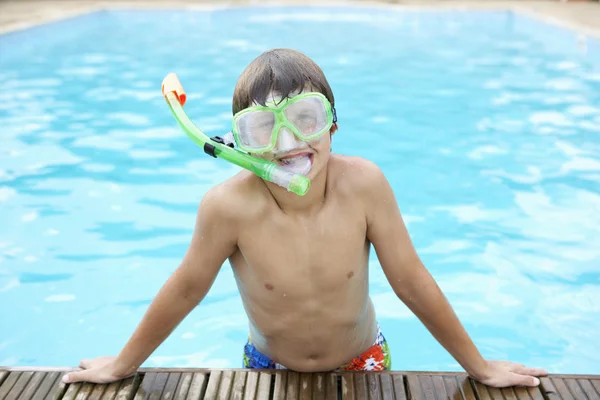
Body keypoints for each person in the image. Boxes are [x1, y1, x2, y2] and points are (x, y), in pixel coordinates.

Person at [62, 48, 547, 387]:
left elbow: (412, 281)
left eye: (307, 119)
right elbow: (187, 288)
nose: (288, 143)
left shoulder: (365, 187)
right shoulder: (228, 207)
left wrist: (479, 366)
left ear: (333, 122)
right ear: (240, 144)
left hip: (364, 360)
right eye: (262, 128)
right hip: (268, 366)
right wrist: (123, 364)